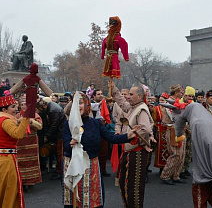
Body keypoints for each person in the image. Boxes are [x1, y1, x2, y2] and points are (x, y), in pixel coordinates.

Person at [62, 93, 138, 208]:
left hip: (91, 166)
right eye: (76, 103)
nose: (78, 106)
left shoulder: (96, 123)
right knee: (73, 199)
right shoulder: (68, 124)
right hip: (72, 166)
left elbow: (111, 137)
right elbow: (65, 145)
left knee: (92, 200)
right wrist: (71, 144)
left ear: (87, 104)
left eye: (81, 103)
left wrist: (128, 136)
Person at [161, 101, 212, 208]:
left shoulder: (197, 123)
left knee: (200, 195)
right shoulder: (210, 120)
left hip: (207, 170)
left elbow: (209, 144)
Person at [109, 80, 154, 208]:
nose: (128, 96)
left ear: (139, 96)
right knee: (125, 183)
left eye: (131, 94)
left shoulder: (142, 109)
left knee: (134, 187)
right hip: (129, 151)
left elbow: (145, 129)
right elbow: (122, 103)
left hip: (137, 152)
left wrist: (135, 140)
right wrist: (114, 89)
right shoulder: (134, 106)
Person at [160, 85, 186, 185]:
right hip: (172, 131)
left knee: (182, 154)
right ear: (176, 93)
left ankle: (176, 175)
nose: (182, 94)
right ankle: (165, 176)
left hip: (180, 130)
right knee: (175, 154)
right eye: (181, 92)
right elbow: (174, 117)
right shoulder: (168, 104)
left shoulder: (179, 102)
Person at [16, 95, 43, 192]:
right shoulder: (17, 115)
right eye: (22, 104)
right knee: (20, 162)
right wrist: (18, 122)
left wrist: (31, 122)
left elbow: (40, 126)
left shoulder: (35, 115)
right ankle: (22, 182)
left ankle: (31, 182)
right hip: (20, 143)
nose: (24, 106)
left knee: (31, 161)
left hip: (31, 141)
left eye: (25, 105)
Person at [152, 93, 169, 172]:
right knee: (159, 148)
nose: (161, 101)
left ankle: (167, 166)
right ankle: (160, 167)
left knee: (168, 148)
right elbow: (154, 120)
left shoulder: (169, 109)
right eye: (160, 100)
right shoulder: (156, 109)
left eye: (163, 100)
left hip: (168, 130)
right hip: (160, 130)